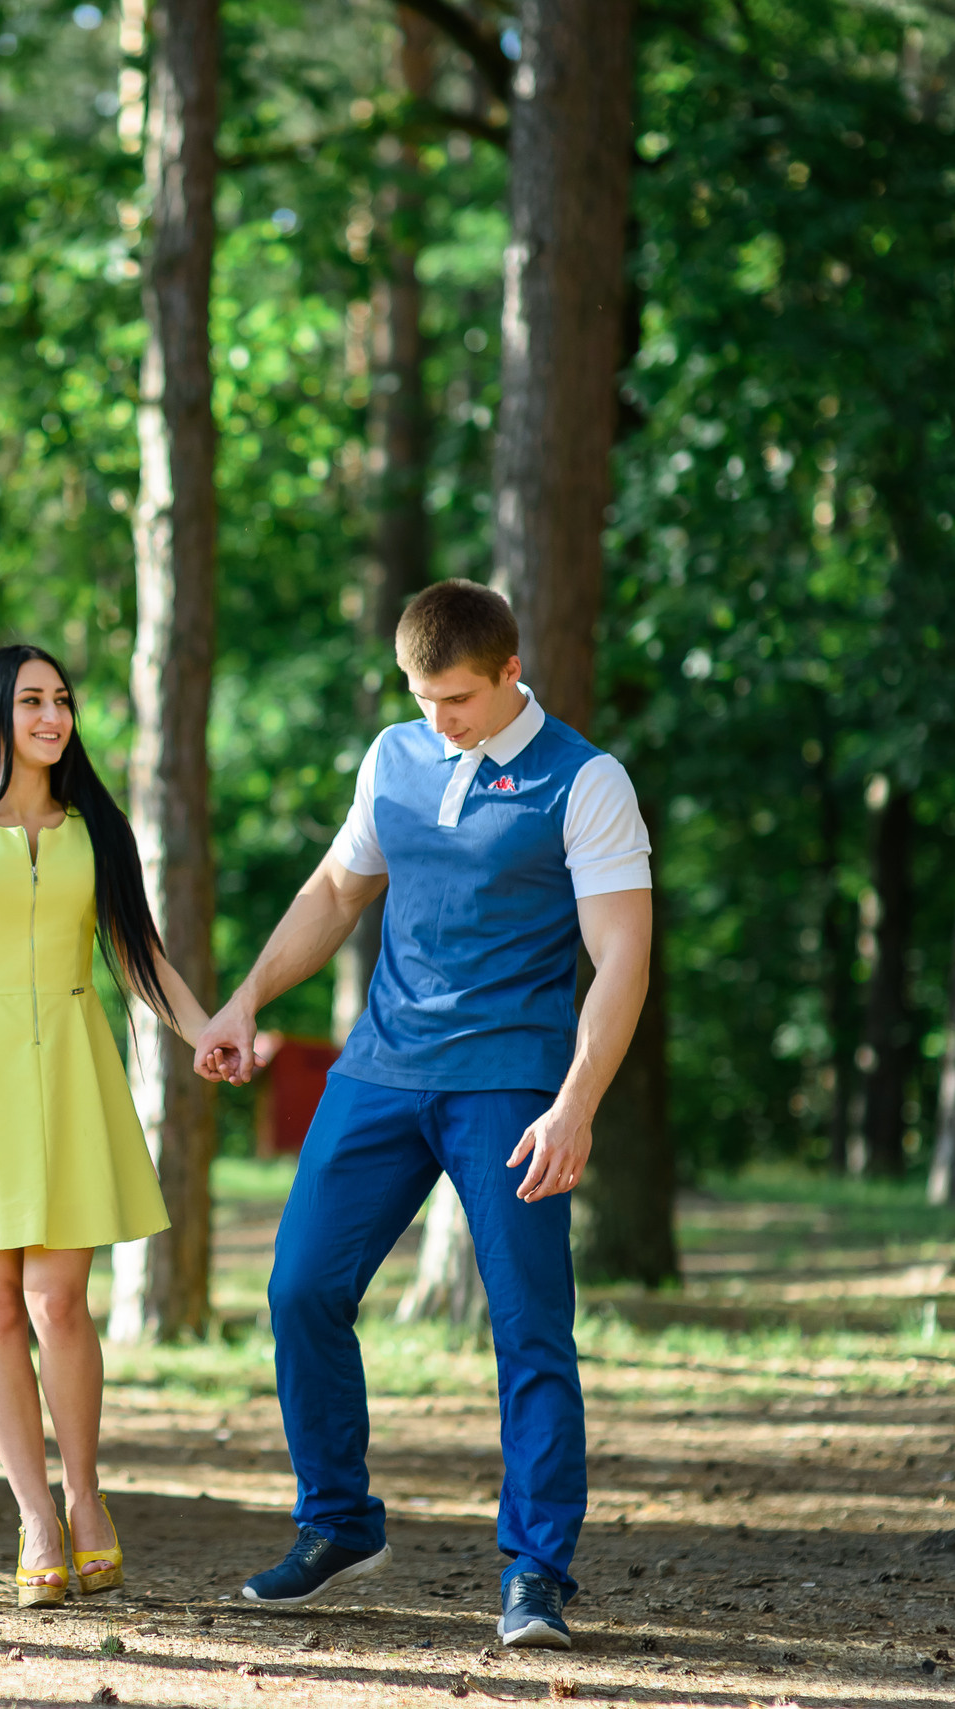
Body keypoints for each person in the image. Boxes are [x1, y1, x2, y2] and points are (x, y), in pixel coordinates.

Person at [195, 581, 653, 1649]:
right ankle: (340, 1523)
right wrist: (245, 996)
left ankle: (535, 1567)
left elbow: (621, 952)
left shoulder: (582, 781)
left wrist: (576, 1100)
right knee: (300, 1285)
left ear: (509, 672)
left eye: (453, 696)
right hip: (383, 1067)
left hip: (510, 1080)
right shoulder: (394, 756)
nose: (435, 716)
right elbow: (334, 890)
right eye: (419, 694)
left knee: (528, 1324)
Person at [0, 644, 209, 1609]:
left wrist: (204, 1033)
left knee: (60, 1300)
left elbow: (137, 950)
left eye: (62, 699)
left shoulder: (94, 826)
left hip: (69, 1061)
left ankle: (87, 1495)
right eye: (31, 700)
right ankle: (33, 1514)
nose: (53, 715)